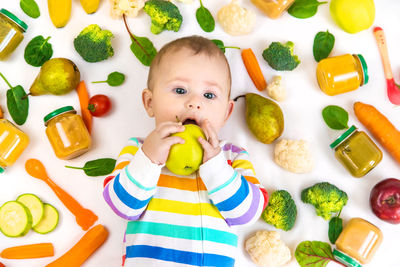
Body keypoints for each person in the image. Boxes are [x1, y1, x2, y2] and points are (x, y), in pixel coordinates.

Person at [103, 36, 269, 267]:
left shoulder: (231, 156)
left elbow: (247, 214)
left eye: (209, 95)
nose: (194, 102)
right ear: (150, 103)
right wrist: (149, 160)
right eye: (180, 90)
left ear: (226, 113)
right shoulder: (141, 149)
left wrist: (216, 168)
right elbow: (122, 206)